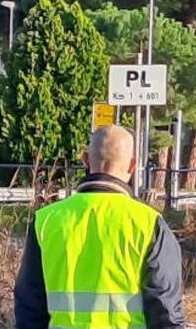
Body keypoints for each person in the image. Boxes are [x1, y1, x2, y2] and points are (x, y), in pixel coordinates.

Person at [14, 126, 186, 329]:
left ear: (86, 159)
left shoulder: (47, 220)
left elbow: (30, 306)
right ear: (132, 165)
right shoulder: (149, 224)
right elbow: (165, 312)